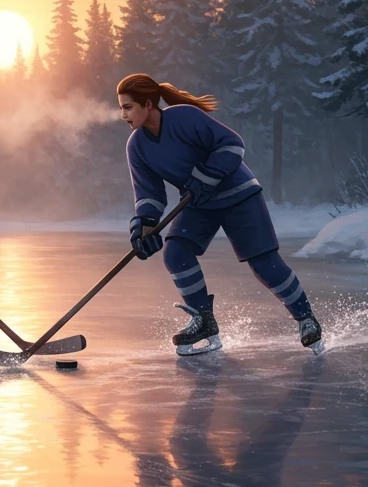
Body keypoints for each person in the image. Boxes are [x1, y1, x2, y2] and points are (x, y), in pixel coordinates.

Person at [117, 73, 322, 355]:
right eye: (121, 107)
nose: (123, 114)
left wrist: (207, 176)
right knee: (176, 254)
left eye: (128, 107)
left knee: (263, 263)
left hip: (238, 195)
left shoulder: (185, 117)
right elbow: (149, 194)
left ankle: (306, 318)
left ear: (148, 104)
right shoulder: (136, 146)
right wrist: (144, 227)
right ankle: (204, 321)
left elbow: (232, 144)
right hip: (200, 203)